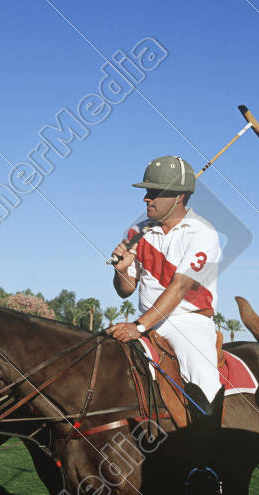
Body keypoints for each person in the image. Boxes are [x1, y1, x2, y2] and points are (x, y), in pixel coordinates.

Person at [105, 156, 223, 414]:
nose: (146, 198)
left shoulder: (203, 232)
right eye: (147, 191)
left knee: (205, 385)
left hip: (189, 323)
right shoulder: (137, 232)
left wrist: (138, 326)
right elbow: (125, 290)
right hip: (147, 321)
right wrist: (121, 271)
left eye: (155, 192)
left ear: (179, 197)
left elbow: (180, 288)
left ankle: (210, 445)